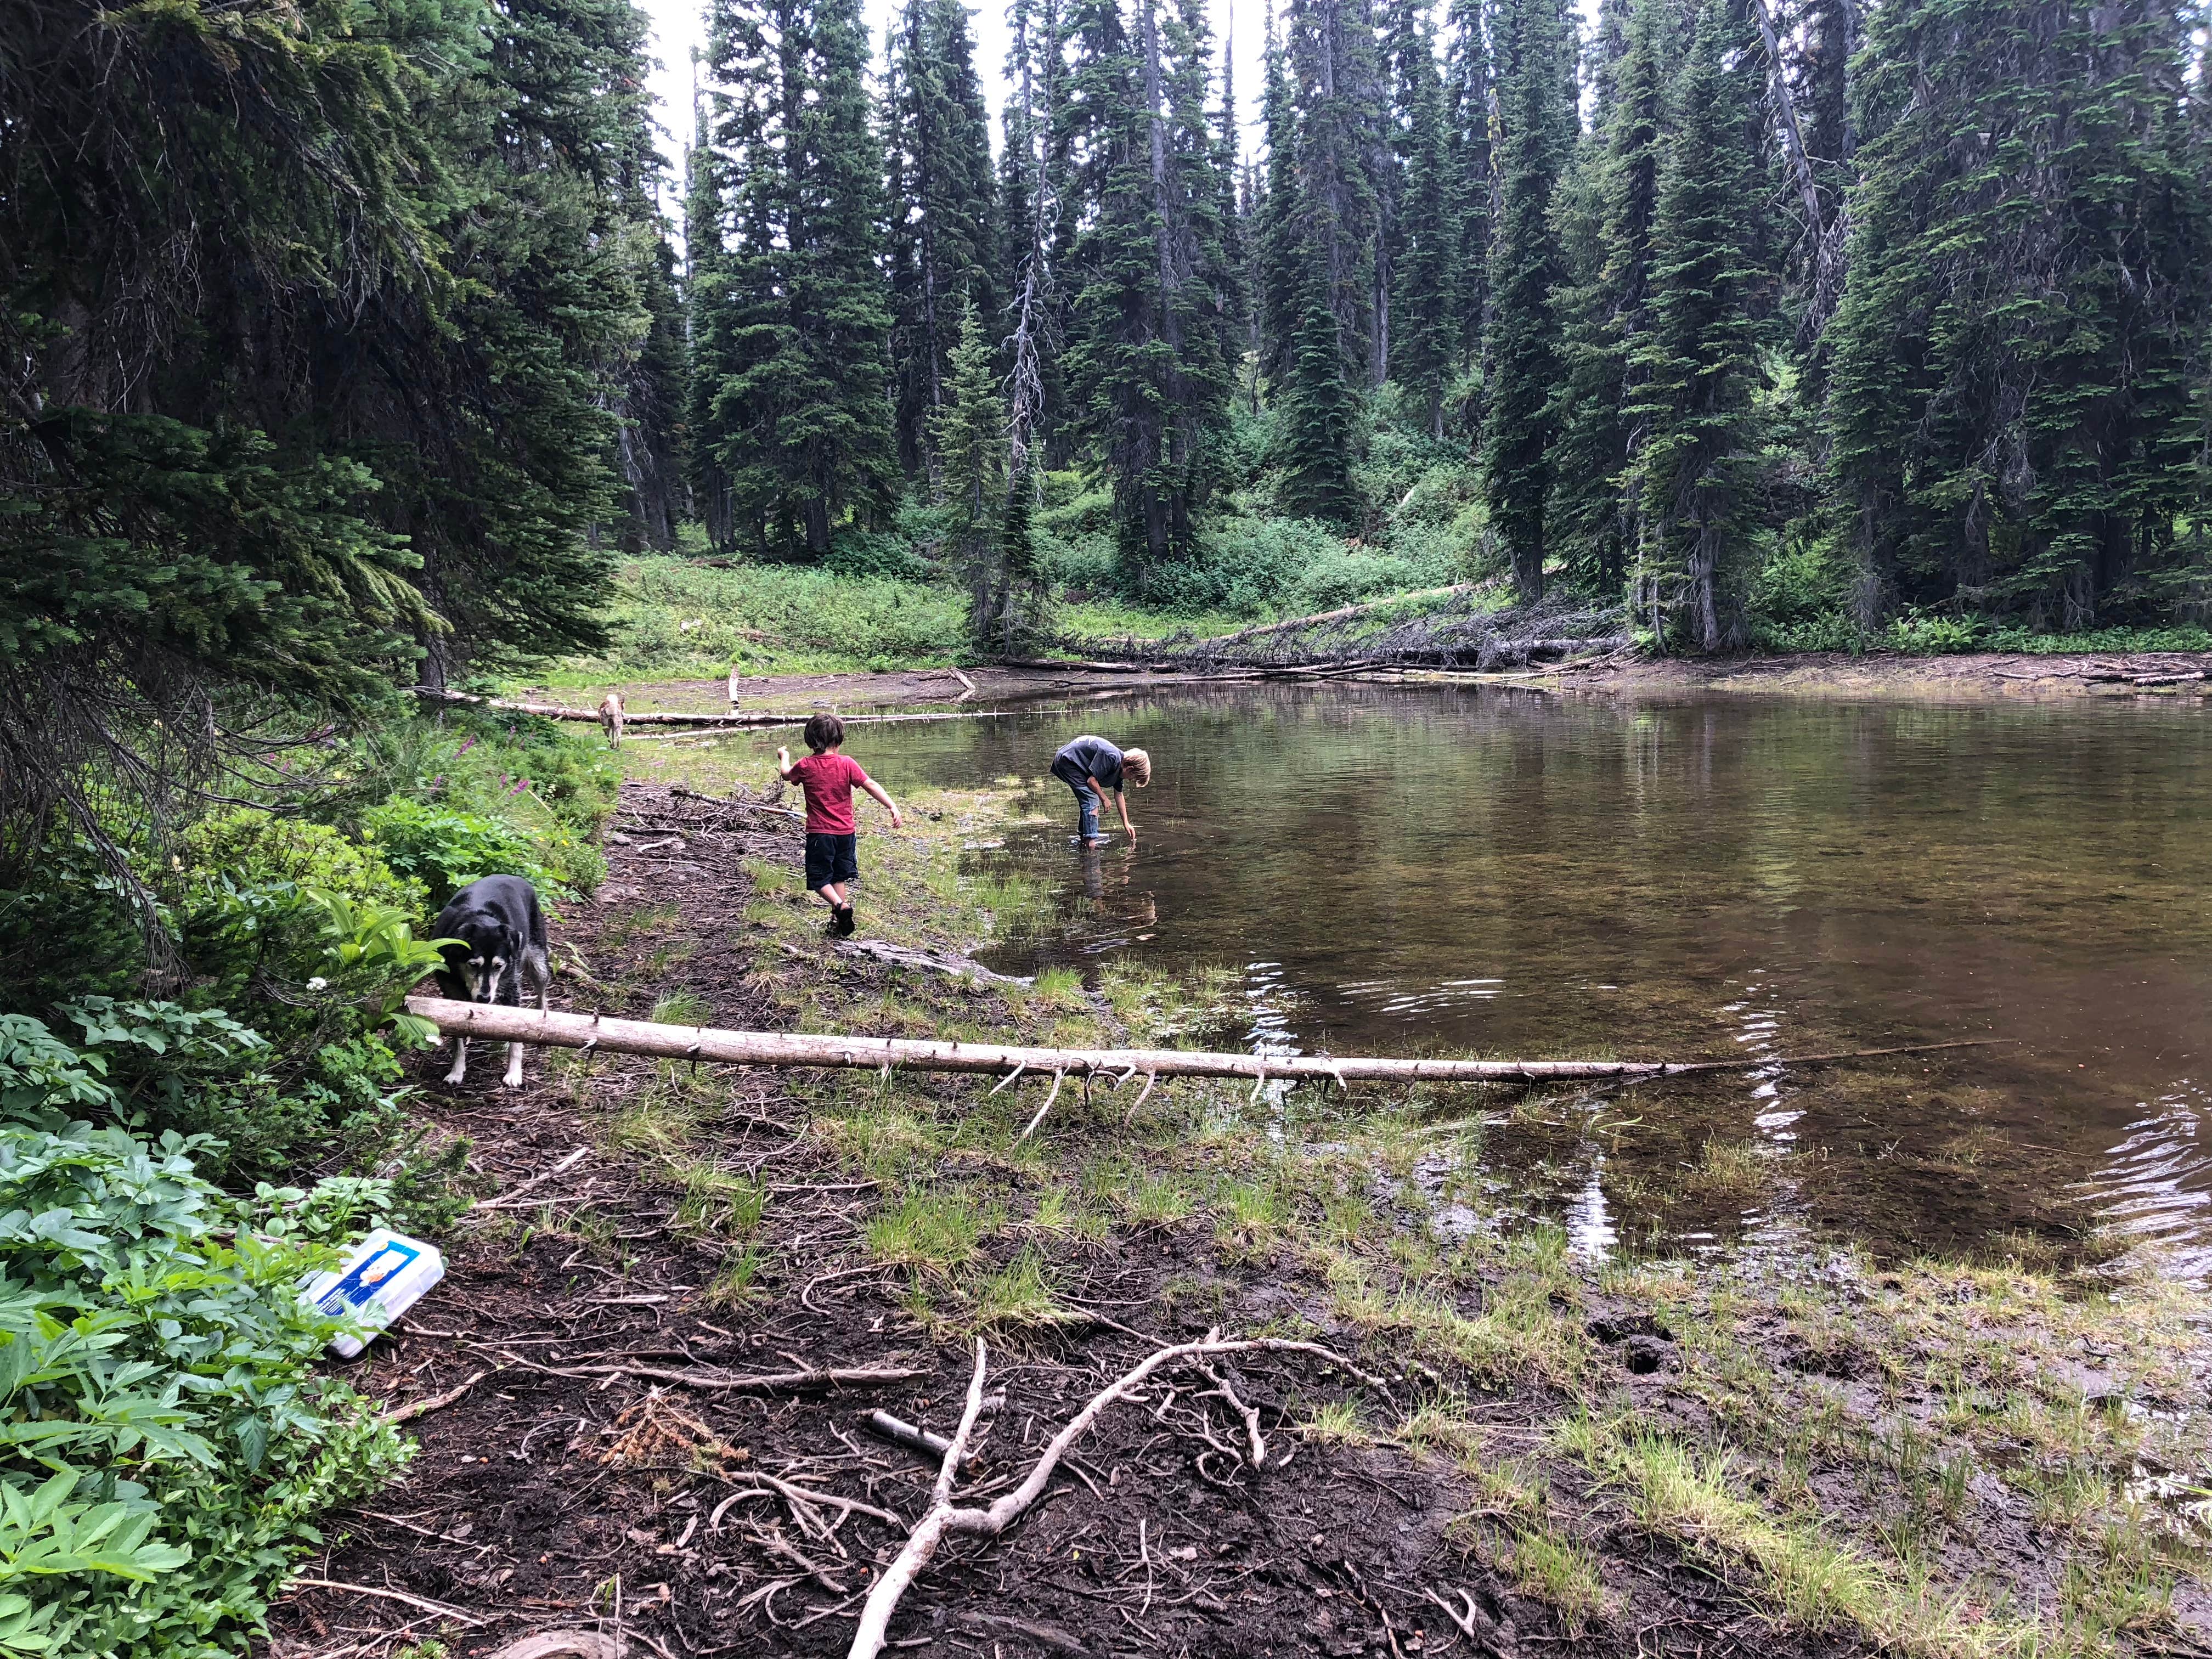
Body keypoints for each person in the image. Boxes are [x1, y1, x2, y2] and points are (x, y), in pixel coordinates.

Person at [777, 714, 904, 935]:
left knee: (818, 879)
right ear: (839, 740)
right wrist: (891, 805)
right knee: (838, 876)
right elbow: (870, 784)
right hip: (846, 833)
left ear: (809, 741)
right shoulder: (847, 763)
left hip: (820, 834)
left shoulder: (806, 765)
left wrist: (784, 755)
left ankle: (840, 907)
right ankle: (839, 922)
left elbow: (787, 775)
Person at [1049, 734, 1150, 846]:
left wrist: (1126, 823)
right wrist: (1104, 798)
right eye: (1132, 778)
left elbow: (1119, 795)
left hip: (1072, 761)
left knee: (1089, 800)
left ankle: (1084, 837)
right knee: (1092, 800)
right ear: (1129, 768)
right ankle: (1090, 843)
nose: (1130, 780)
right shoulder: (1112, 757)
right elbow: (1091, 781)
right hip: (1068, 761)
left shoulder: (1119, 769)